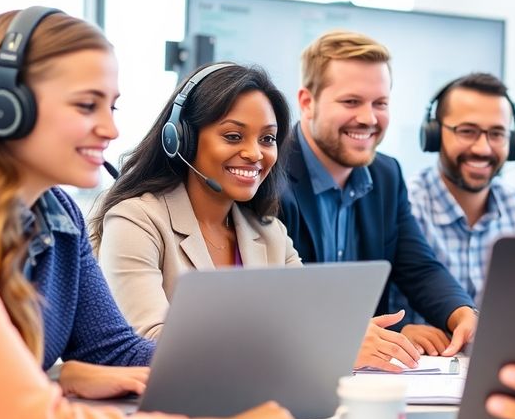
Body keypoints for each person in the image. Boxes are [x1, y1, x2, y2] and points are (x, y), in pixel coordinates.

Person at [0, 7, 307, 419]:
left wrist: (282, 362)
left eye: (112, 106)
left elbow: (114, 349)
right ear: (4, 107)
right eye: (87, 105)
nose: (110, 129)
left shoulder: (57, 217)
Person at [89, 62, 421, 372]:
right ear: (182, 139)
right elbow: (151, 343)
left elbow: (316, 321)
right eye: (233, 136)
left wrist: (349, 335)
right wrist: (326, 348)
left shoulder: (268, 232)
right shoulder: (136, 220)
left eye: (267, 139)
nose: (254, 153)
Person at [278, 29, 478, 364]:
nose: (369, 119)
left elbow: (418, 267)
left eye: (380, 103)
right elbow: (278, 303)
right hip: (296, 367)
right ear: (307, 102)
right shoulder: (271, 174)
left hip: (370, 379)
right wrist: (359, 335)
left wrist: (462, 313)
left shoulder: (386, 174)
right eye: (351, 101)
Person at [387, 73, 515, 354]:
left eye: (497, 134)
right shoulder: (403, 204)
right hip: (418, 374)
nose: (482, 148)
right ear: (433, 134)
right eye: (467, 131)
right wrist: (399, 332)